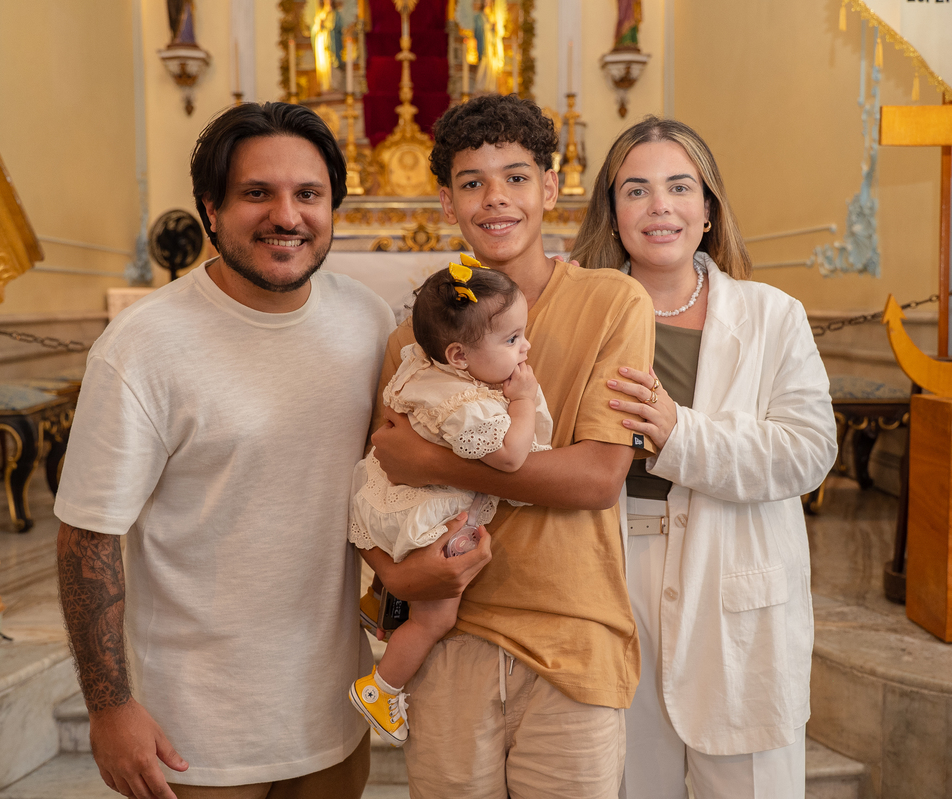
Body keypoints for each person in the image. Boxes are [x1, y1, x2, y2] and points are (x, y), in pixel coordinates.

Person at [54, 102, 401, 799]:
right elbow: (87, 536)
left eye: (308, 194)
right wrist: (109, 707)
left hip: (333, 709)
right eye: (256, 193)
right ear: (211, 210)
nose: (286, 215)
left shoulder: (366, 320)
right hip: (197, 729)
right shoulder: (144, 344)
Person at [363, 93, 656, 798]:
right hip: (451, 638)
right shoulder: (412, 340)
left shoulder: (613, 302)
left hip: (573, 634)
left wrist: (432, 461)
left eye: (517, 177)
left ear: (550, 188)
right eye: (472, 182)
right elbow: (379, 481)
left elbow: (597, 477)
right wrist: (398, 576)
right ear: (447, 202)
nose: (495, 198)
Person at [569, 116, 837, 799]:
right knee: (628, 781)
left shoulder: (773, 315)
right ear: (612, 213)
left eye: (679, 186)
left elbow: (809, 451)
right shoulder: (577, 314)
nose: (659, 205)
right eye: (636, 190)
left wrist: (679, 433)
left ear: (709, 208)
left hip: (735, 577)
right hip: (609, 572)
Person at [347, 258, 552, 747]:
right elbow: (510, 458)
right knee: (436, 618)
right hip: (423, 514)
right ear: (459, 355)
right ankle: (381, 688)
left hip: (386, 497)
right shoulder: (466, 407)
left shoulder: (425, 366)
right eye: (512, 339)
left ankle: (378, 601)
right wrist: (523, 400)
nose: (525, 347)